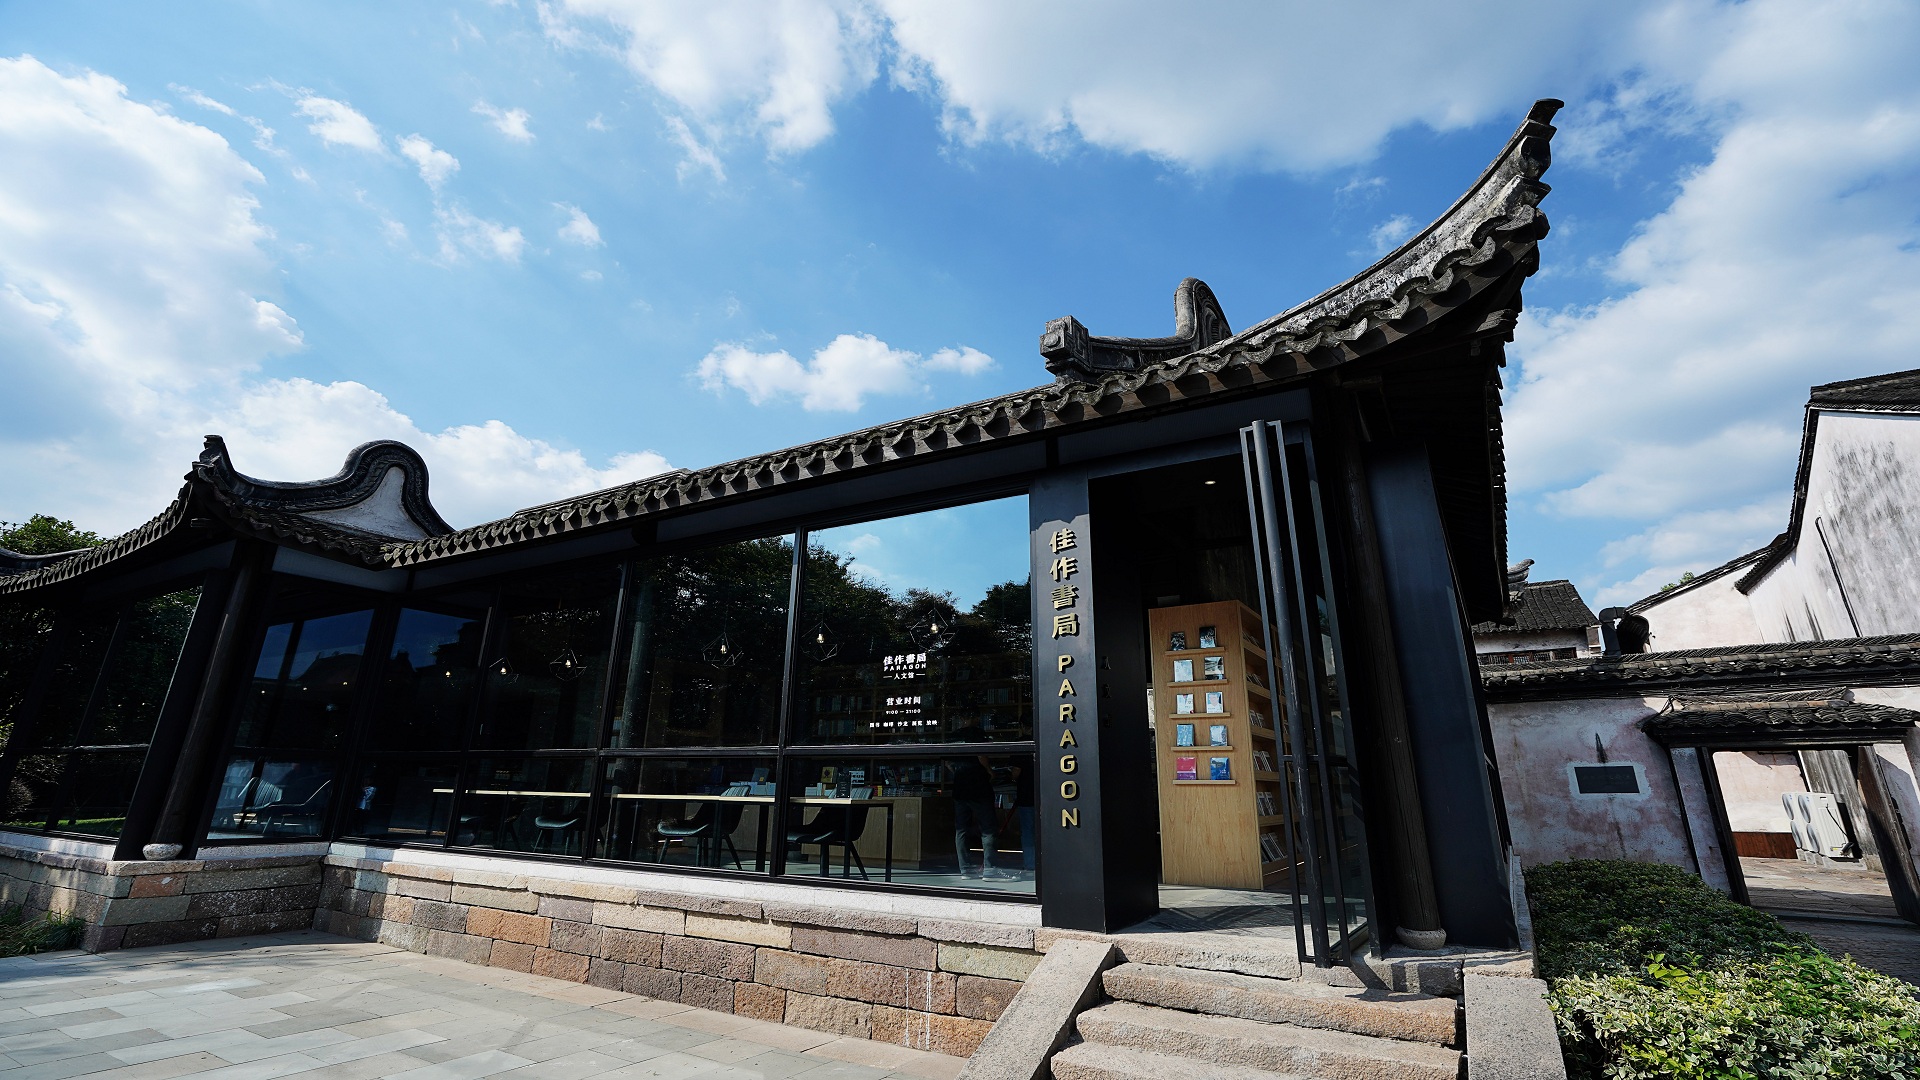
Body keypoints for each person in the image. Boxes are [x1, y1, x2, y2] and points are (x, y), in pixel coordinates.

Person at [948, 727, 1004, 879]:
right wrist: (989, 771)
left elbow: (948, 762)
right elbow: (982, 756)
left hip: (960, 788)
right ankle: (990, 869)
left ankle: (965, 869)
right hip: (979, 787)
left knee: (961, 829)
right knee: (988, 829)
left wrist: (959, 773)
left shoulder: (954, 736)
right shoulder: (977, 733)